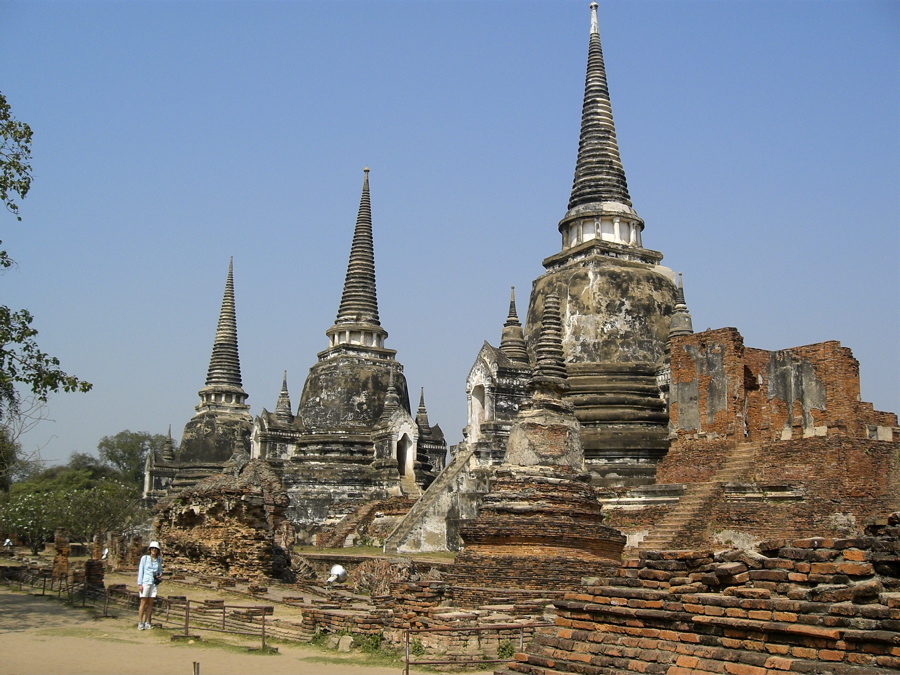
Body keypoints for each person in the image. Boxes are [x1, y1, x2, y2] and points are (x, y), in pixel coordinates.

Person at [136, 541, 163, 630]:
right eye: (152, 548)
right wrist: (140, 584)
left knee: (150, 603)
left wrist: (159, 575)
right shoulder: (145, 558)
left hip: (153, 583)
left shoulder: (159, 560)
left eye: (155, 549)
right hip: (145, 582)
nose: (154, 550)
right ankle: (140, 622)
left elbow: (160, 570)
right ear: (150, 549)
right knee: (143, 603)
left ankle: (148, 622)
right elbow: (141, 571)